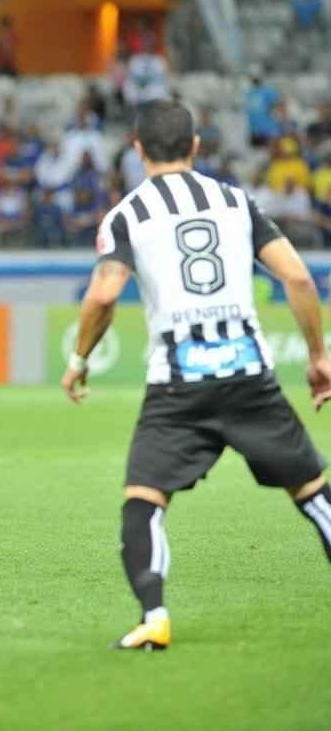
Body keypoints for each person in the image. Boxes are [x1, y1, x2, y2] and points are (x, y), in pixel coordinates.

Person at [61, 100, 331, 651]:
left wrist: (80, 359)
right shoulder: (234, 202)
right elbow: (299, 279)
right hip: (248, 373)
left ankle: (154, 616)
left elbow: (104, 294)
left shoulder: (127, 215)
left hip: (178, 382)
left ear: (137, 150)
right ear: (195, 146)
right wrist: (317, 355)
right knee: (313, 494)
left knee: (144, 501)